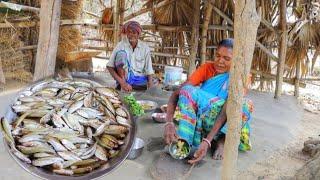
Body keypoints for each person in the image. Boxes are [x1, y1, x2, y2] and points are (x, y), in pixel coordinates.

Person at [163, 38, 253, 164]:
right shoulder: (207, 68)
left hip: (225, 122)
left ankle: (221, 140)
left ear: (236, 60)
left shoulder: (241, 77)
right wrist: (169, 123)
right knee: (187, 90)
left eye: (226, 58)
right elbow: (177, 93)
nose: (220, 61)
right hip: (205, 120)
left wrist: (208, 141)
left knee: (244, 104)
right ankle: (184, 142)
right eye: (217, 56)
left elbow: (226, 109)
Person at [107, 21, 155, 92]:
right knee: (121, 54)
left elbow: (149, 70)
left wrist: (150, 88)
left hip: (140, 82)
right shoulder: (121, 46)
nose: (131, 35)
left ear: (138, 34)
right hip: (124, 80)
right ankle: (123, 85)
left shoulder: (145, 48)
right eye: (129, 32)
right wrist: (122, 83)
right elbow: (110, 66)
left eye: (134, 33)